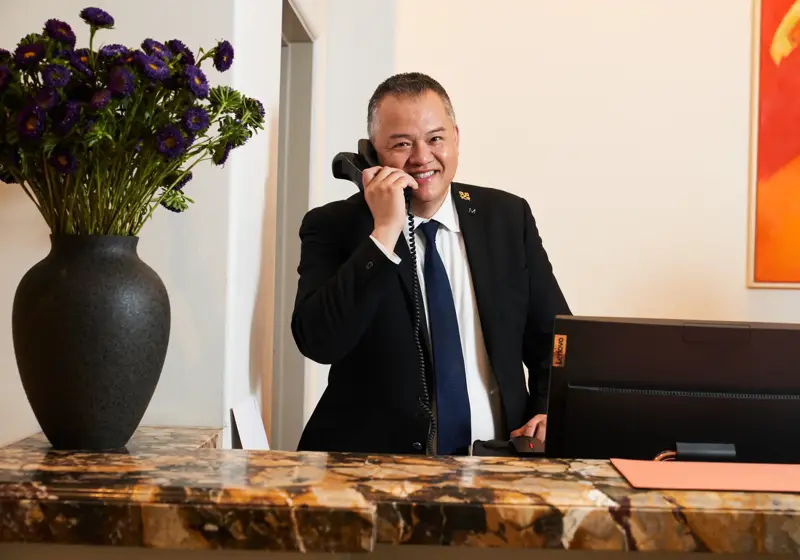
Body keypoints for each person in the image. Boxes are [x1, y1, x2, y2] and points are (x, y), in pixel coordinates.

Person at [291, 72, 571, 455]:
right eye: (402, 144)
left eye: (435, 139)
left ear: (456, 137)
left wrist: (546, 411)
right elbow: (318, 341)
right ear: (371, 154)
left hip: (499, 466)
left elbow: (556, 341)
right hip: (372, 472)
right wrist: (385, 232)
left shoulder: (507, 218)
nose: (422, 158)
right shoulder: (333, 226)